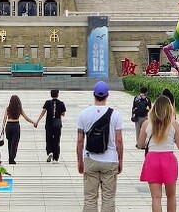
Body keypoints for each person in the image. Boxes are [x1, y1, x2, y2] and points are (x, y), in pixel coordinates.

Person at [76, 81, 124, 212]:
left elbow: (80, 141)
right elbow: (119, 141)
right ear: (107, 95)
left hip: (90, 159)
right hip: (110, 160)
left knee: (90, 197)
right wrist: (120, 160)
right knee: (108, 197)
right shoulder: (115, 115)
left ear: (94, 94)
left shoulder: (83, 114)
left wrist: (80, 160)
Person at [138, 95, 179, 212]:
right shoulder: (174, 124)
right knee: (171, 196)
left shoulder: (146, 124)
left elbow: (140, 144)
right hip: (168, 159)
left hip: (152, 160)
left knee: (156, 197)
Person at [1, 94, 35, 165]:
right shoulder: (19, 109)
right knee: (15, 143)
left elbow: (4, 119)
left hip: (9, 126)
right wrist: (33, 122)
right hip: (16, 125)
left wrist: (3, 128)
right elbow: (26, 118)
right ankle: (12, 158)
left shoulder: (8, 109)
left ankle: (10, 157)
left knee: (10, 143)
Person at [36, 88, 67, 162]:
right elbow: (63, 114)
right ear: (58, 95)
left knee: (48, 139)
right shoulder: (61, 103)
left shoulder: (47, 103)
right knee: (57, 140)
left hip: (49, 123)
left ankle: (50, 152)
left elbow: (43, 112)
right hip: (57, 124)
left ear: (51, 95)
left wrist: (37, 121)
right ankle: (56, 158)